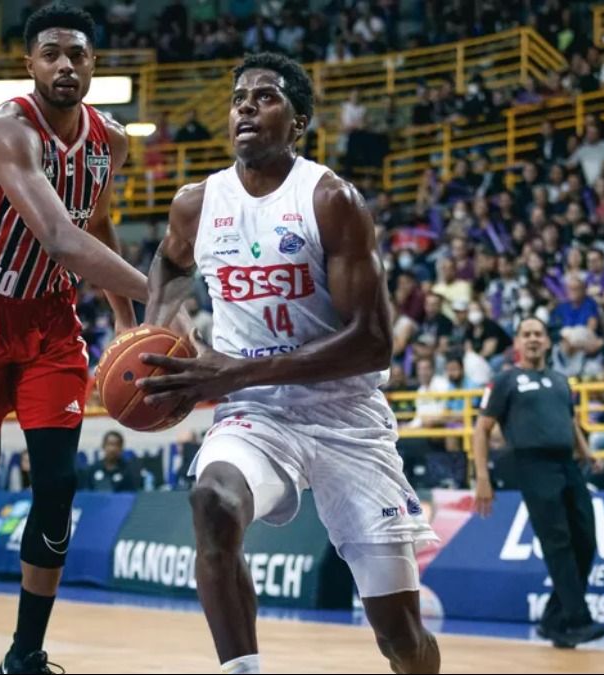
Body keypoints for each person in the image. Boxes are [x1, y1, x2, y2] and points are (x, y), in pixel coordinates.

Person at [137, 52, 439, 674]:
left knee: (400, 637)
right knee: (213, 501)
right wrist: (155, 329)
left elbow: (373, 343)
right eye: (238, 97)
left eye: (265, 97)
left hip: (345, 417)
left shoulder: (331, 200)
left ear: (298, 122)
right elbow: (170, 263)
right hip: (257, 414)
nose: (245, 105)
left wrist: (234, 372)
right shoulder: (197, 204)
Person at [0, 5, 151, 674]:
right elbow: (58, 237)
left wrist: (131, 320)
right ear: (29, 64)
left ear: (93, 64)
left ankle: (26, 652)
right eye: (51, 53)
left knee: (57, 482)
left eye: (77, 54)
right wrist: (158, 289)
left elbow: (97, 222)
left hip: (50, 321)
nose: (65, 65)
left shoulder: (111, 140)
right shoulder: (5, 133)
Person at [472, 317, 604, 649]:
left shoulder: (561, 381)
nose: (533, 339)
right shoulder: (505, 381)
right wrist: (482, 478)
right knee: (557, 540)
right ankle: (577, 619)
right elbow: (481, 429)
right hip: (533, 465)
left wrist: (587, 453)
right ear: (517, 343)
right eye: (526, 334)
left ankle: (553, 619)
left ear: (547, 342)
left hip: (569, 464)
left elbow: (570, 421)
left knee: (586, 540)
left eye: (538, 334)